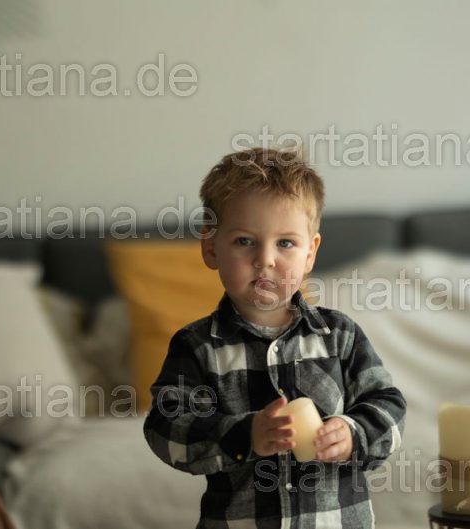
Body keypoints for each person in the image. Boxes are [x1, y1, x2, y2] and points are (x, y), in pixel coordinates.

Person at [143, 147, 406, 529]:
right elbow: (165, 428)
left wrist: (354, 433)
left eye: (285, 243)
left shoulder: (340, 336)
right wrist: (245, 434)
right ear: (211, 247)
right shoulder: (197, 346)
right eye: (245, 241)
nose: (265, 259)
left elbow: (389, 405)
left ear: (310, 253)